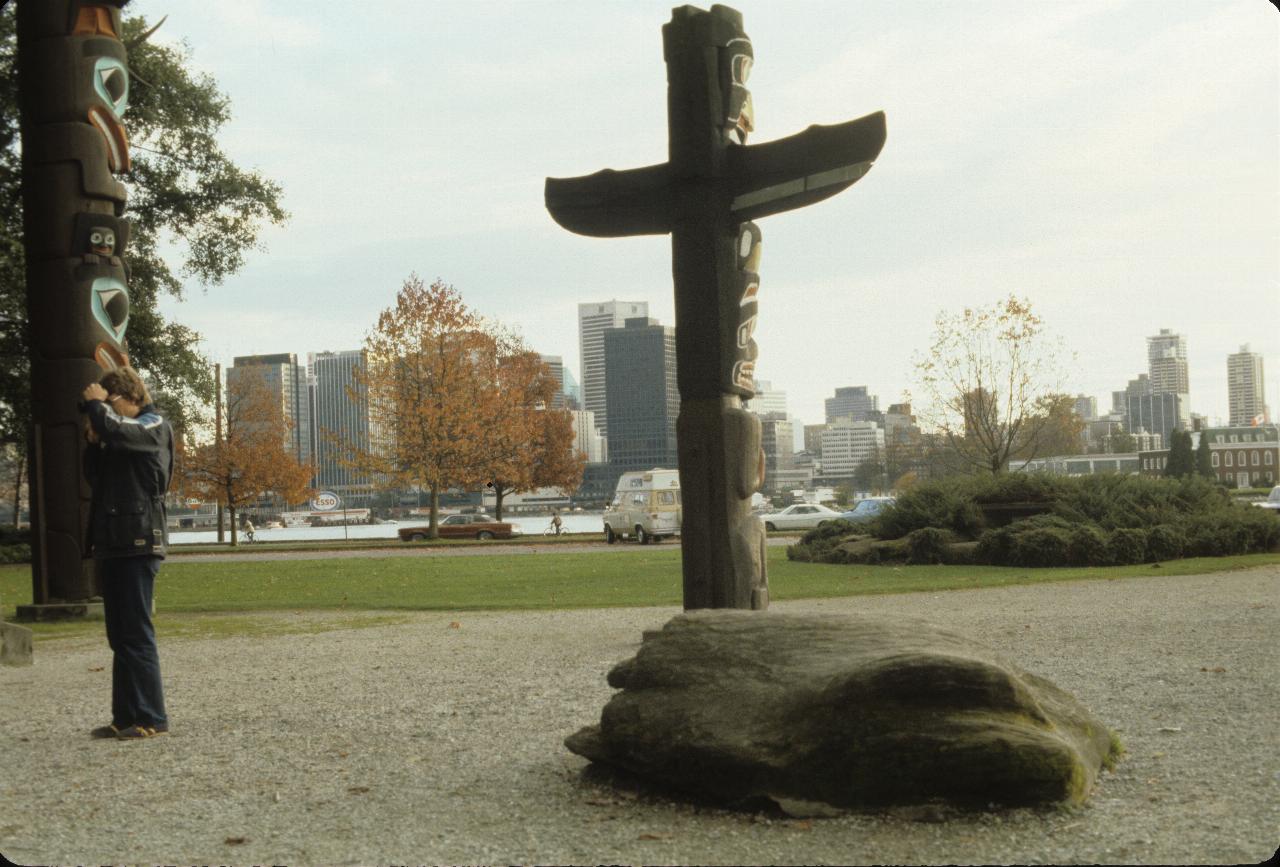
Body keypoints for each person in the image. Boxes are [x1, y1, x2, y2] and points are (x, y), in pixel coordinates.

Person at [80, 367, 175, 740]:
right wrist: (93, 439)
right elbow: (95, 478)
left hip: (139, 540)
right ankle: (125, 716)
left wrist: (101, 413)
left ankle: (153, 717)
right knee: (119, 637)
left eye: (110, 402)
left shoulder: (154, 425)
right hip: (115, 541)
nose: (106, 411)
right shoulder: (118, 434)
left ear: (129, 399)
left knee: (137, 634)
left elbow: (123, 431)